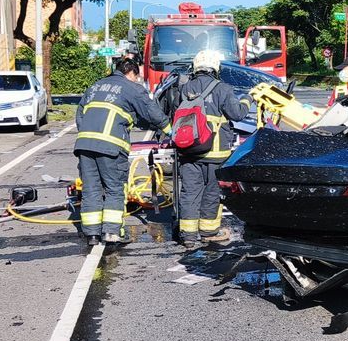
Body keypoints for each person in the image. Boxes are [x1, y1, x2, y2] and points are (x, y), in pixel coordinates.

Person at [74, 57, 168, 247]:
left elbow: (80, 114)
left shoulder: (96, 86)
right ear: (131, 73)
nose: (137, 80)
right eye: (137, 77)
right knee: (114, 188)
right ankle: (111, 232)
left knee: (91, 189)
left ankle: (92, 234)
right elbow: (151, 111)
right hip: (111, 147)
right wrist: (170, 130)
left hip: (84, 145)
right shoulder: (131, 87)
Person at [175, 49, 251, 247]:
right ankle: (208, 232)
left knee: (190, 193)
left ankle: (188, 237)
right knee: (211, 192)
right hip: (215, 153)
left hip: (189, 151)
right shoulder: (222, 88)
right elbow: (238, 114)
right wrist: (247, 100)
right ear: (215, 68)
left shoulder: (184, 87)